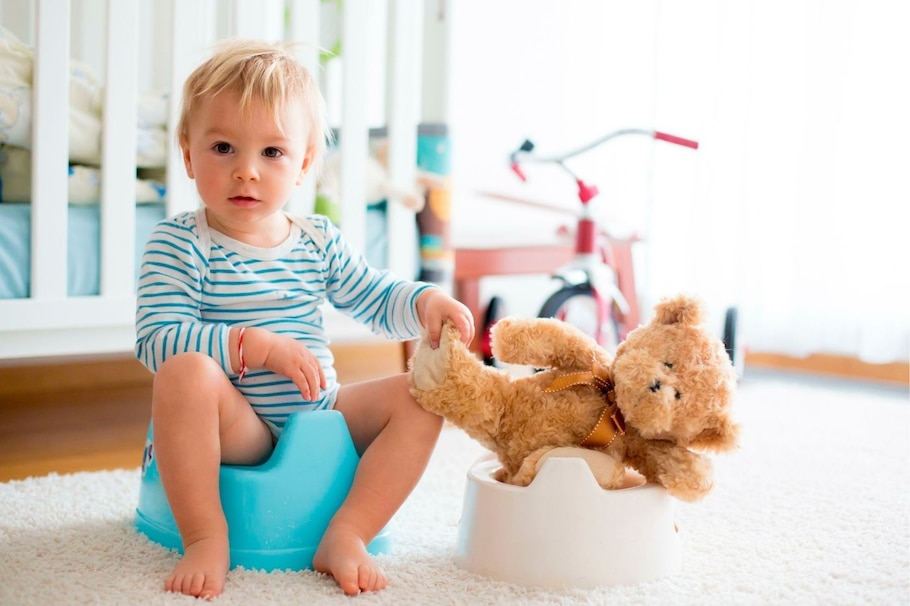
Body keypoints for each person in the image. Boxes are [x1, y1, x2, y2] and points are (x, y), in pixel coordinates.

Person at [134, 39, 474, 599]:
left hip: (320, 412)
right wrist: (257, 347)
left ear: (305, 163)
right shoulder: (180, 242)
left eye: (272, 153)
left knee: (423, 397)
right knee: (184, 373)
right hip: (238, 426)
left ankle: (348, 531)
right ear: (189, 155)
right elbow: (159, 340)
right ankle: (205, 536)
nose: (246, 171)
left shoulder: (316, 240)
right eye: (223, 147)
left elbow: (372, 293)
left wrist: (422, 303)